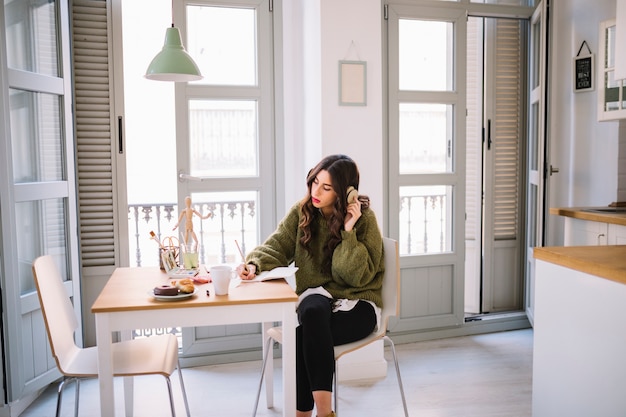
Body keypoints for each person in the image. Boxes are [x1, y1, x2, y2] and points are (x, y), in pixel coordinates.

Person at [237, 154, 384, 417]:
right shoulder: (302, 211)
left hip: (358, 303)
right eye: (315, 182)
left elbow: (355, 277)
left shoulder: (364, 220)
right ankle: (323, 414)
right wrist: (254, 264)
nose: (316, 191)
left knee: (302, 336)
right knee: (312, 313)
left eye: (326, 187)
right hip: (318, 298)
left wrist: (348, 232)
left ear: (346, 192)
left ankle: (310, 414)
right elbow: (277, 246)